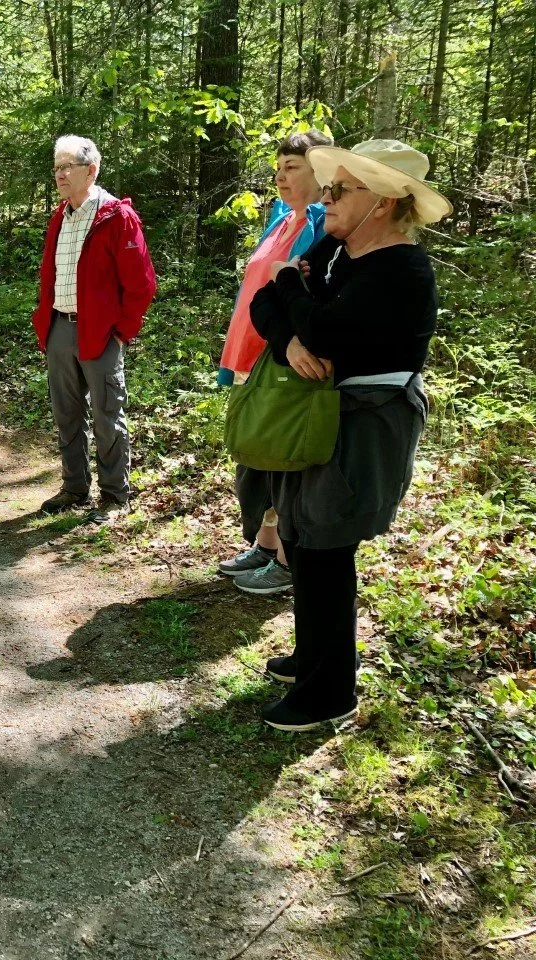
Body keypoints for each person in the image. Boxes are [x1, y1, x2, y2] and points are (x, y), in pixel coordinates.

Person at [247, 139, 451, 731]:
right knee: (304, 537)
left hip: (369, 421)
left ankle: (329, 692)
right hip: (326, 415)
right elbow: (266, 305)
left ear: (383, 203)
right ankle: (313, 661)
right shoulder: (339, 248)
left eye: (342, 189)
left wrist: (292, 291)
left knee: (328, 546)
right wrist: (288, 337)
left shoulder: (401, 269)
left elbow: (327, 328)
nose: (327, 196)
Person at [216, 129, 332, 596]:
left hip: (284, 357)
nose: (280, 177)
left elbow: (309, 294)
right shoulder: (283, 219)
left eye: (292, 168)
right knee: (257, 456)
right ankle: (265, 546)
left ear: (320, 171)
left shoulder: (322, 225)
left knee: (282, 457)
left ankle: (286, 560)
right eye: (278, 168)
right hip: (251, 351)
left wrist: (289, 343)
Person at [31, 135, 157, 520]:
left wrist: (122, 330)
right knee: (66, 413)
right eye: (57, 167)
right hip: (59, 328)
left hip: (101, 332)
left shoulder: (116, 216)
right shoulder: (60, 215)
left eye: (68, 166)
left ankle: (116, 496)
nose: (61, 174)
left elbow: (141, 283)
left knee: (107, 413)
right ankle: (75, 489)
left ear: (92, 170)